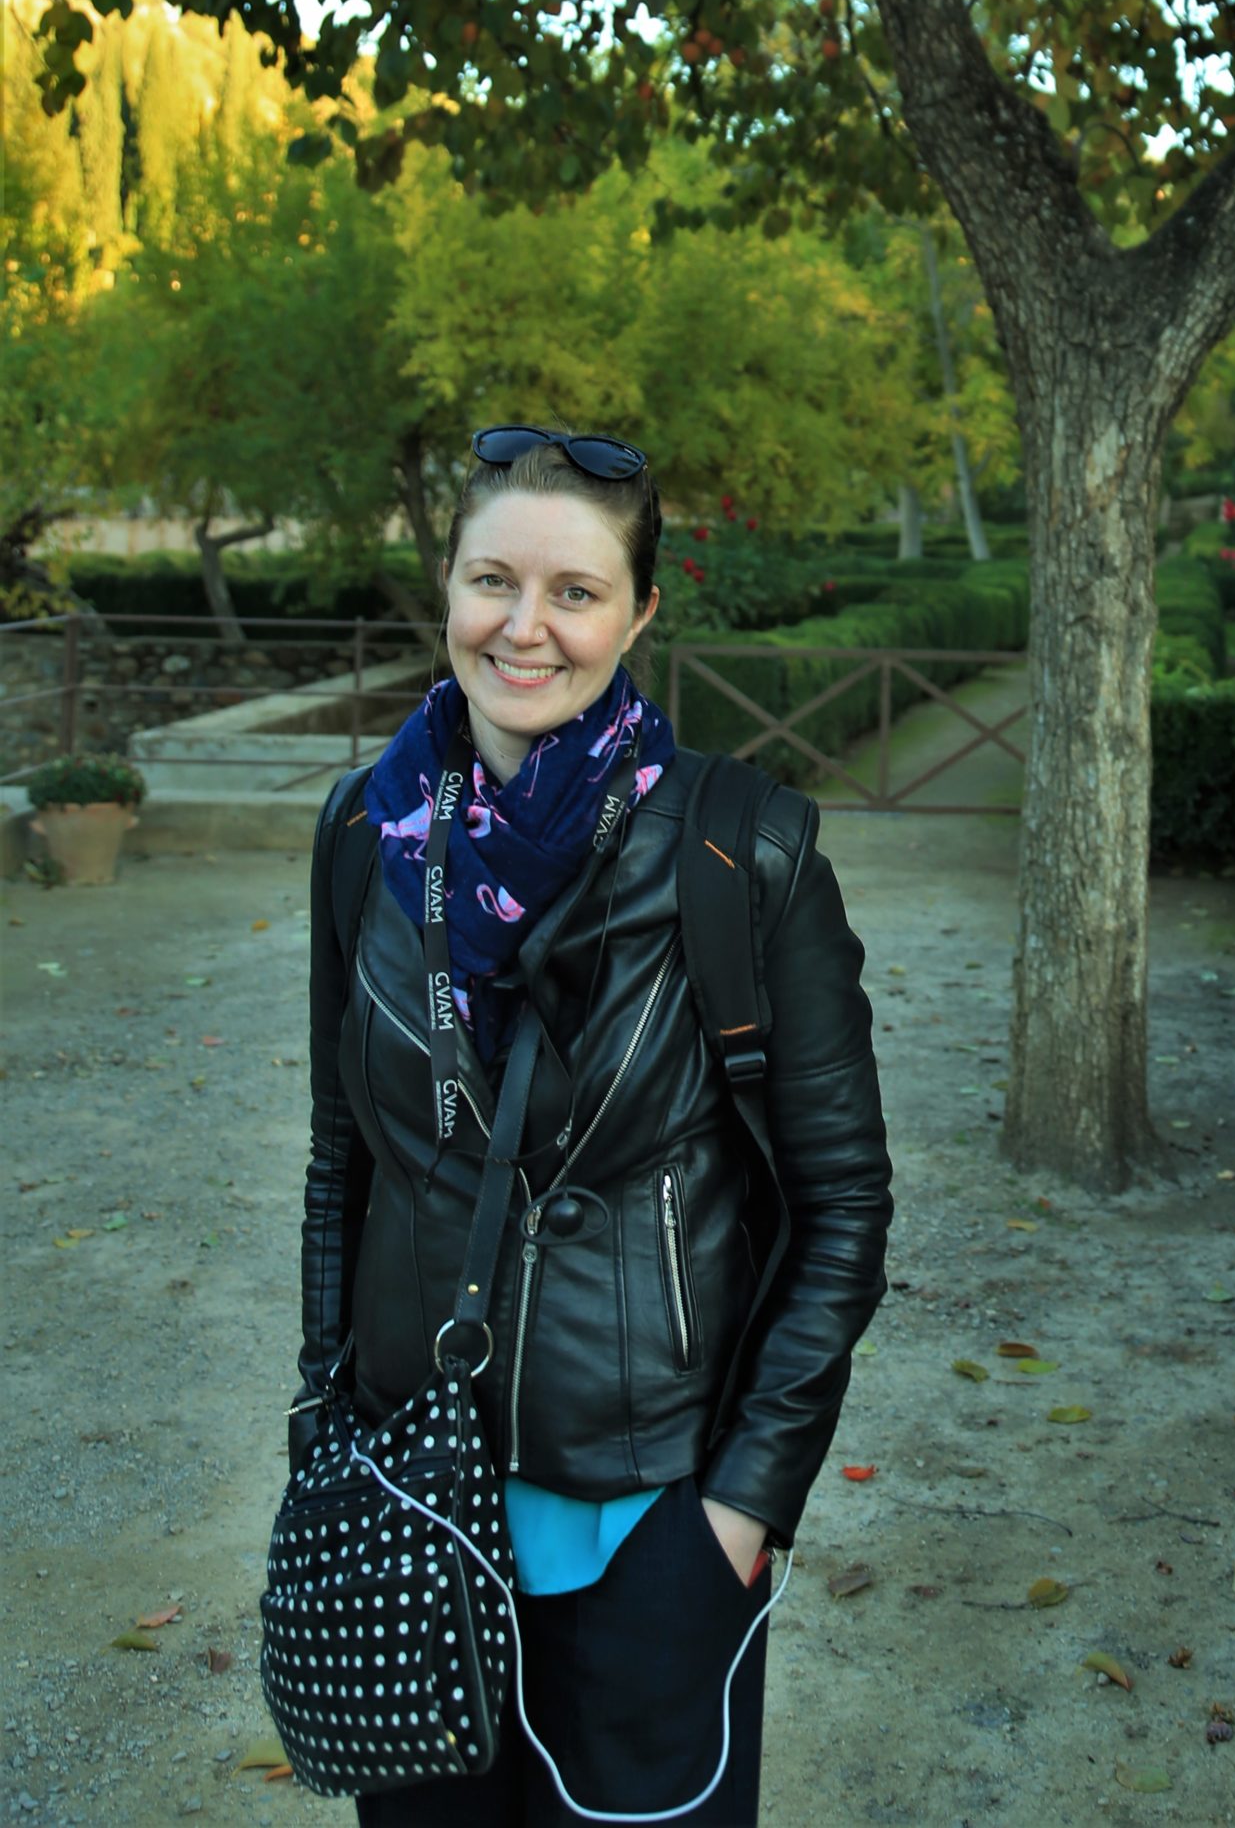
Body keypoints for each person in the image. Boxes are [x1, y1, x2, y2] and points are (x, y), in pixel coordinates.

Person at [291, 425, 894, 1824]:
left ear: (638, 614)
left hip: (649, 1523)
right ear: (447, 589)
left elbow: (842, 1208)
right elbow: (343, 1163)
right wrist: (322, 1423)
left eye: (574, 592)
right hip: (405, 1495)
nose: (525, 628)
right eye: (492, 581)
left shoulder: (744, 851)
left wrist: (743, 1509)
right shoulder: (364, 834)